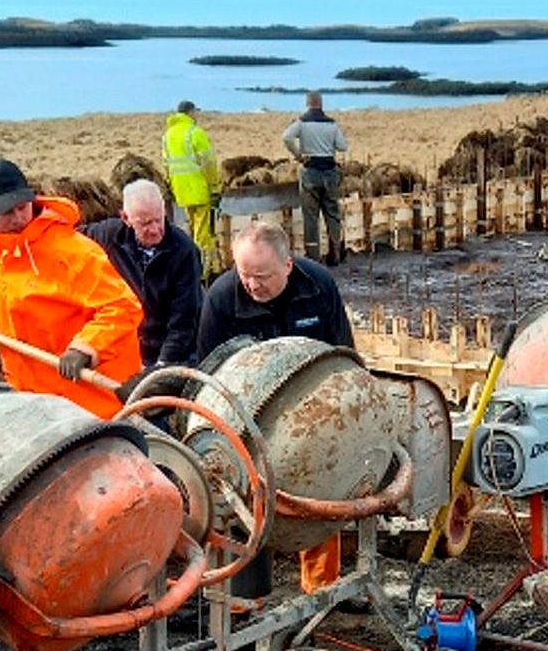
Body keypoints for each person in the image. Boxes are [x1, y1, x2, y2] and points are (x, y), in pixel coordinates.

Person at [197, 222, 355, 602]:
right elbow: (207, 372)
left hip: (310, 410)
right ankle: (241, 599)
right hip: (244, 412)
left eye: (262, 276)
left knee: (322, 492)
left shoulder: (317, 286)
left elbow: (343, 352)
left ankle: (321, 588)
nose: (252, 285)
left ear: (288, 265)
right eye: (245, 275)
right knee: (239, 503)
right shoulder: (221, 298)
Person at [0, 158, 144, 419]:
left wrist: (86, 349)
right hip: (33, 396)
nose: (19, 217)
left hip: (92, 399)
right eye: (7, 211)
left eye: (23, 207)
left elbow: (122, 306)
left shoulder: (72, 251)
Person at [83, 179, 203, 370]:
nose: (155, 230)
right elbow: (70, 240)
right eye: (145, 223)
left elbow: (184, 321)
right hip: (126, 347)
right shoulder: (109, 235)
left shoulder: (185, 252)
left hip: (172, 352)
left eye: (159, 219)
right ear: (125, 218)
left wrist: (161, 367)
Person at [281, 91, 350, 266]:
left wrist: (298, 155)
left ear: (307, 103)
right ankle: (335, 252)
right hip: (329, 170)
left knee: (311, 216)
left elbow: (286, 137)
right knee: (332, 214)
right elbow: (343, 146)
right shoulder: (331, 124)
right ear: (321, 103)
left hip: (310, 171)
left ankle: (313, 257)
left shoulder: (302, 123)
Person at [163, 100, 222, 272]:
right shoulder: (195, 132)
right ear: (190, 113)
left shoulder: (168, 135)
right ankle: (202, 270)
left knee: (191, 228)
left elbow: (166, 165)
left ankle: (204, 265)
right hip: (200, 189)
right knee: (203, 232)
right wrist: (215, 187)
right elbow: (208, 163)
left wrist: (172, 187)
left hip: (181, 191)